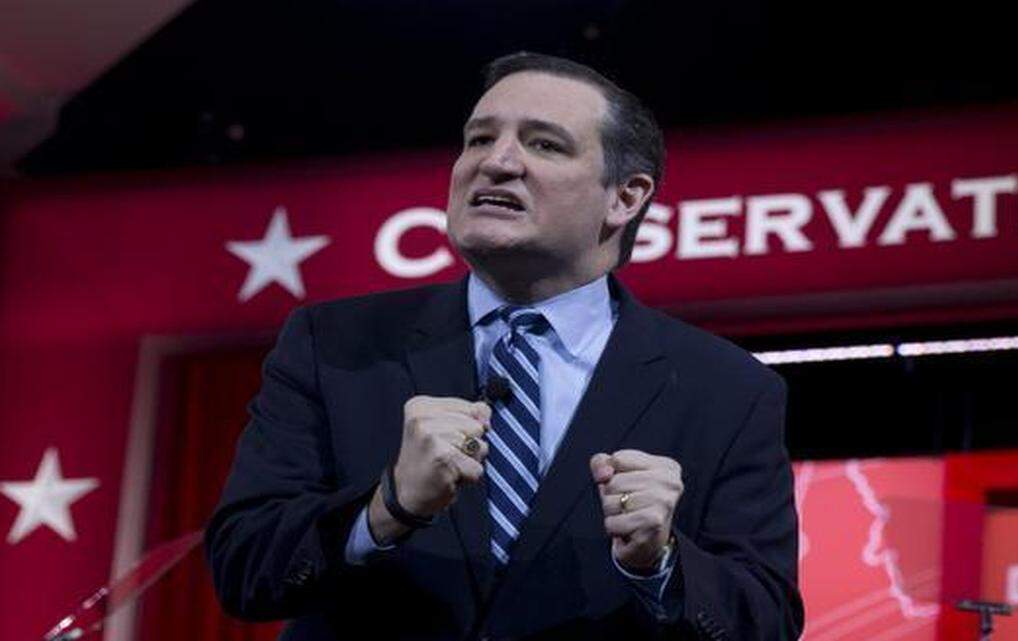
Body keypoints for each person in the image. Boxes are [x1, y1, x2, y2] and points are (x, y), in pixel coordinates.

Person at [205, 51, 803, 641]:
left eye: (544, 144)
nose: (497, 162)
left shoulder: (729, 388)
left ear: (625, 197)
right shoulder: (331, 344)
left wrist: (662, 561)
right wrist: (386, 509)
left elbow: (767, 621)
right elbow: (242, 568)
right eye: (478, 139)